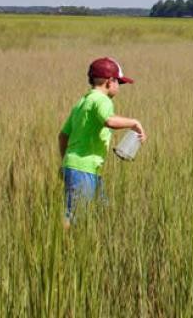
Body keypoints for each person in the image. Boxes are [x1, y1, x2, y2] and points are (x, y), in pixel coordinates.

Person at [59, 57, 147, 225]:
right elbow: (109, 121)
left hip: (82, 167)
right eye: (119, 83)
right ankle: (64, 247)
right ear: (109, 82)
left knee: (103, 211)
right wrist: (135, 123)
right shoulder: (102, 100)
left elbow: (63, 135)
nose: (119, 88)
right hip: (84, 169)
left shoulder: (82, 102)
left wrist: (65, 162)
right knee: (75, 219)